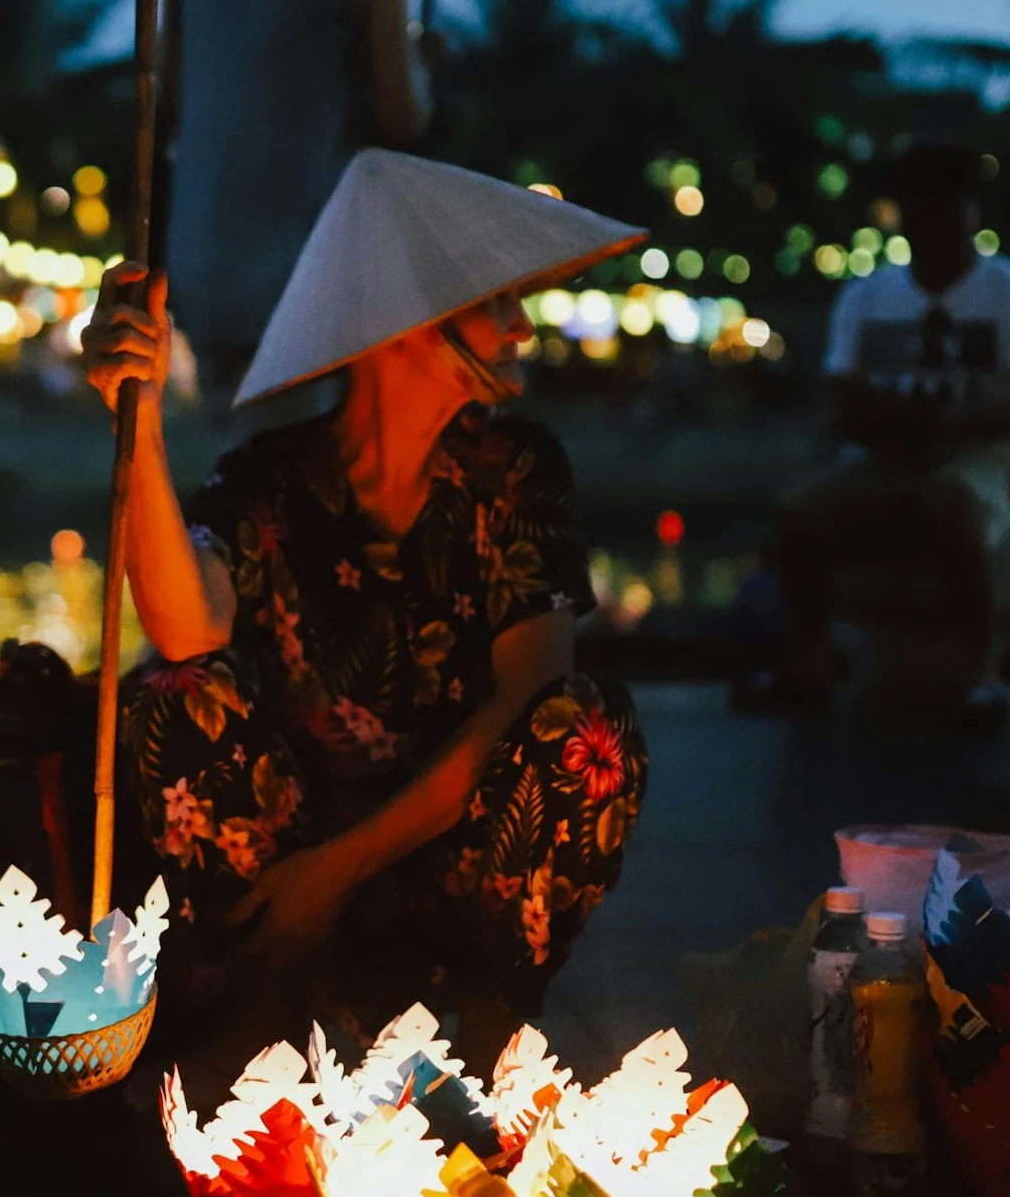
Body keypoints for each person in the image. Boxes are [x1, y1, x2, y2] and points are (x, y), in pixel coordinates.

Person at [85, 150, 649, 1087]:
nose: (520, 328)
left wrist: (335, 872)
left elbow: (528, 700)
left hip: (449, 866)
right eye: (496, 301)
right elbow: (188, 632)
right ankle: (277, 1016)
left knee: (585, 725)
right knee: (172, 696)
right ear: (413, 315)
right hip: (285, 870)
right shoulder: (266, 479)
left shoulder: (517, 471)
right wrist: (136, 429)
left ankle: (487, 1028)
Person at [740, 143, 1010, 722]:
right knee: (797, 513)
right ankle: (810, 663)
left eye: (947, 209)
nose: (935, 226)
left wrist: (907, 419)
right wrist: (945, 419)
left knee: (953, 502)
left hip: (983, 461)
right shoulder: (866, 295)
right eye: (923, 210)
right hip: (886, 458)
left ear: (970, 215)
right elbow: (840, 403)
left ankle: (980, 674)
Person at [158, 0, 424, 402]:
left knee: (235, 474)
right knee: (306, 480)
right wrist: (426, 70)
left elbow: (168, 101)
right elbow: (402, 119)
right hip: (310, 274)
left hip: (202, 264)